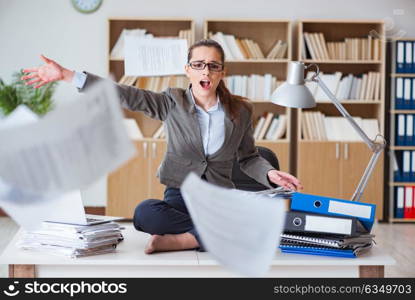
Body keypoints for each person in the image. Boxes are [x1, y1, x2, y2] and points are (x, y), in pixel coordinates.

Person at [22, 39, 303, 254]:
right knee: (145, 213)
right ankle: (211, 236)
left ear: (221, 72)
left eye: (213, 65)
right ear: (188, 70)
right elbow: (125, 95)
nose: (206, 70)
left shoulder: (240, 111)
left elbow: (249, 157)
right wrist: (69, 75)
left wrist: (270, 175)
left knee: (261, 222)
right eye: (199, 64)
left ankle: (184, 240)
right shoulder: (172, 102)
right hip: (180, 195)